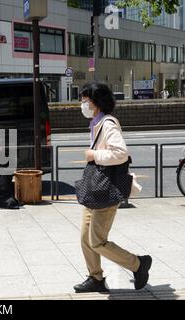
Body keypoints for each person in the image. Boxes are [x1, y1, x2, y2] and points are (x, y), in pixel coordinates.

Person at [73, 82, 152, 293]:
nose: (83, 105)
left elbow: (120, 153)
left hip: (105, 190)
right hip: (95, 189)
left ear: (96, 103)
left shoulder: (108, 124)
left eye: (85, 101)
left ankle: (138, 264)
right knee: (85, 238)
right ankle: (95, 277)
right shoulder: (96, 123)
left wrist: (93, 155)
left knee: (97, 241)